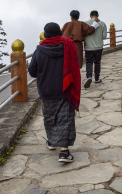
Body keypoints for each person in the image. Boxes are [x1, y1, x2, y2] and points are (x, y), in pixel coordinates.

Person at [28, 22, 81, 163]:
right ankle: (64, 152)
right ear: (60, 32)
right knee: (65, 118)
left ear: (45, 35)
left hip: (46, 89)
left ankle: (52, 141)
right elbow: (75, 65)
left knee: (50, 117)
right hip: (65, 87)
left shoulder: (39, 50)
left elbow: (32, 72)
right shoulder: (68, 46)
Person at [62, 10, 99, 88]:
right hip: (77, 45)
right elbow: (89, 30)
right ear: (78, 16)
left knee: (68, 62)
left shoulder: (66, 24)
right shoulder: (81, 24)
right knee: (77, 63)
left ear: (71, 17)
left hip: (67, 45)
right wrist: (95, 24)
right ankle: (75, 80)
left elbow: (61, 34)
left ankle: (68, 80)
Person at [84, 10, 107, 84]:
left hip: (88, 47)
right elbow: (104, 36)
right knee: (97, 62)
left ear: (90, 16)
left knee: (89, 62)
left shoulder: (85, 23)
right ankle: (97, 79)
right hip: (99, 47)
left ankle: (89, 77)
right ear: (98, 15)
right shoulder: (102, 24)